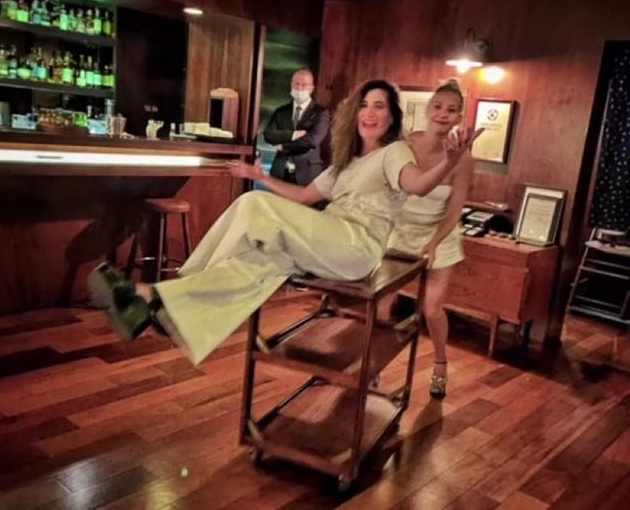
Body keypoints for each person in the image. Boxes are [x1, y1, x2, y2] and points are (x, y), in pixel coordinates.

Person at [88, 79, 480, 366]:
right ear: (354, 113)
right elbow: (305, 197)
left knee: (256, 207)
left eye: (380, 106)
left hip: (358, 248)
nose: (371, 112)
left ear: (392, 116)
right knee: (255, 261)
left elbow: (420, 185)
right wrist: (256, 174)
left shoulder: (395, 152)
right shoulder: (347, 161)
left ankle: (169, 291)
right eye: (365, 105)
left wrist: (449, 159)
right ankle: (157, 303)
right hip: (330, 239)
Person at [381, 80, 475, 399]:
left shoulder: (463, 160)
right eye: (438, 107)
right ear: (427, 109)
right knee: (382, 302)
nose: (443, 114)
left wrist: (434, 243)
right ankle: (372, 366)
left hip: (439, 233)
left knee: (432, 308)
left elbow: (455, 211)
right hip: (400, 230)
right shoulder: (405, 145)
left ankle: (439, 363)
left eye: (451, 110)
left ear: (459, 117)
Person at [263, 69, 330, 185]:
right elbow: (268, 135)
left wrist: (284, 146)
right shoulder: (281, 111)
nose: (300, 88)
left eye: (304, 85)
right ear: (291, 85)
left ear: (311, 88)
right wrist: (293, 135)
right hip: (280, 172)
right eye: (296, 84)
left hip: (307, 173)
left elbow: (312, 140)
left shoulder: (321, 113)